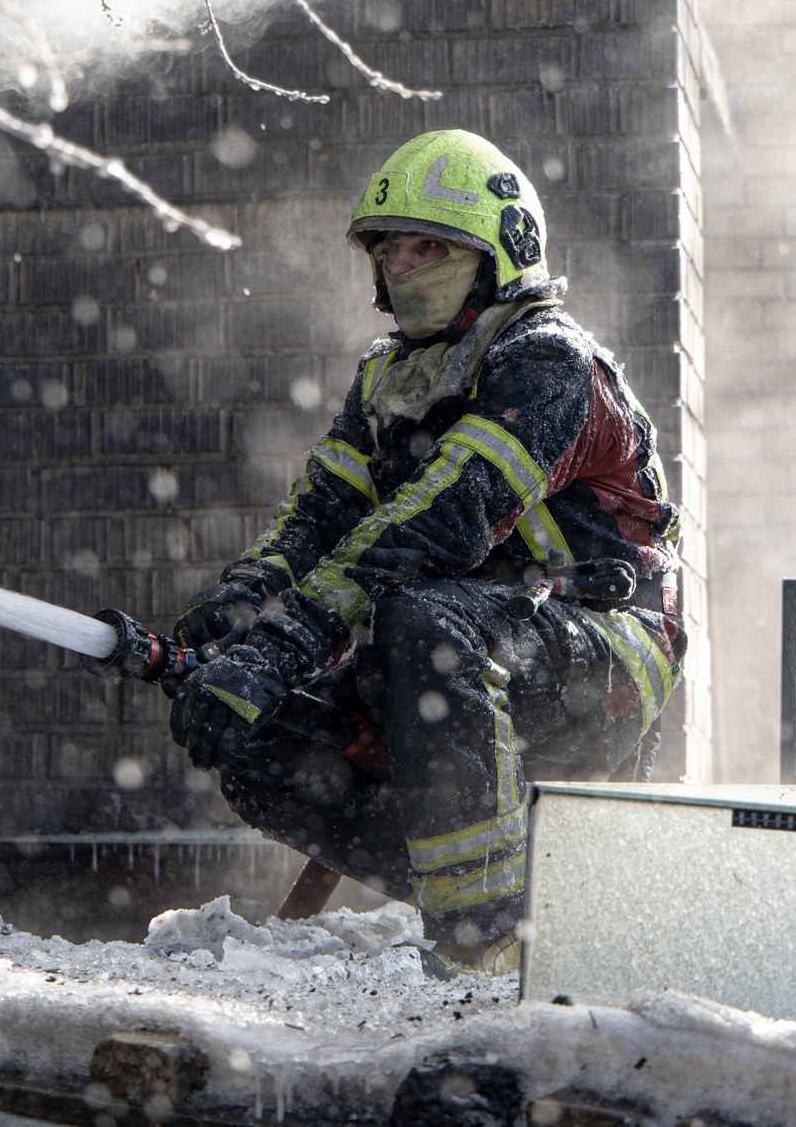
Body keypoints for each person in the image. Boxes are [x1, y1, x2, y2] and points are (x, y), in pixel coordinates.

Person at [169, 129, 684, 976]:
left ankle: (480, 933)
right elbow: (319, 522)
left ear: (499, 254)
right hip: (455, 646)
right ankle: (525, 899)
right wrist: (233, 621)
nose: (403, 266)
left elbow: (441, 520)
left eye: (430, 246)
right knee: (259, 740)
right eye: (390, 249)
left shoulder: (547, 360)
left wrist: (289, 638)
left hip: (606, 648)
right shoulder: (387, 378)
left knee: (422, 616)